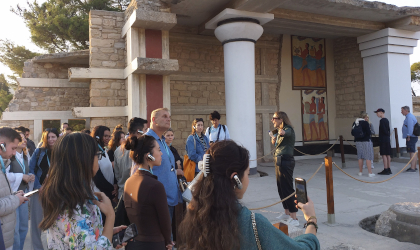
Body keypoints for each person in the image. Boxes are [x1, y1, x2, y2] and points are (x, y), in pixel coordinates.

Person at [178, 140, 320, 250]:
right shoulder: (252, 223)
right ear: (236, 178)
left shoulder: (194, 214)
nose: (248, 179)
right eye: (246, 173)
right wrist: (311, 220)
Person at [38, 133, 127, 249]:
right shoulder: (73, 203)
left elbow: (77, 237)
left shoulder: (68, 192)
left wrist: (106, 232)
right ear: (85, 159)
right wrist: (110, 216)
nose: (98, 161)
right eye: (97, 155)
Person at [124, 134, 174, 250]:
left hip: (133, 243)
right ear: (149, 156)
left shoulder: (129, 181)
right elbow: (165, 221)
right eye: (159, 150)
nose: (161, 153)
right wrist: (168, 241)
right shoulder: (155, 186)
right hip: (153, 244)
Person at [145, 108, 182, 226]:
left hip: (169, 199)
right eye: (165, 116)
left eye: (169, 117)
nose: (169, 119)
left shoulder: (161, 141)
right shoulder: (147, 141)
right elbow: (140, 170)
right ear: (154, 120)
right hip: (158, 201)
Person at [29, 128, 59, 250]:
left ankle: (54, 246)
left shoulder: (62, 151)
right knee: (36, 222)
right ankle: (37, 248)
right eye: (48, 137)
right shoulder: (39, 152)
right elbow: (31, 170)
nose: (51, 139)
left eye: (53, 137)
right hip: (40, 191)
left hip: (57, 192)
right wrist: (38, 186)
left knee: (56, 220)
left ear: (58, 138)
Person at [0, 127, 28, 250]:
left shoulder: (2, 165)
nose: (14, 153)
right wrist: (15, 200)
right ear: (2, 145)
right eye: (13, 148)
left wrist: (14, 194)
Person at [6, 128, 34, 250]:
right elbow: (4, 175)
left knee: (23, 227)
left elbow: (27, 170)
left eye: (25, 138)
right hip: (12, 194)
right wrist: (21, 176)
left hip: (24, 193)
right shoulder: (9, 158)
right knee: (15, 229)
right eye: (21, 138)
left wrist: (30, 176)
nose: (24, 140)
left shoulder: (25, 156)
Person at [271, 112, 299, 227]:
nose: (272, 120)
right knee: (280, 187)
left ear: (281, 119)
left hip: (286, 160)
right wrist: (275, 139)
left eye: (274, 118)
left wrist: (282, 132)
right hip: (279, 160)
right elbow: (280, 143)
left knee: (287, 188)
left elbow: (287, 133)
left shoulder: (288, 129)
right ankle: (286, 212)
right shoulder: (278, 132)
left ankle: (294, 217)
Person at [114, 117, 148, 199]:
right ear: (138, 131)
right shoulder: (141, 149)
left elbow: (117, 174)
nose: (146, 132)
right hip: (137, 195)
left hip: (122, 194)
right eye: (145, 129)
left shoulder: (117, 150)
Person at [91, 126, 117, 208]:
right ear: (97, 136)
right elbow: (97, 178)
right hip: (101, 195)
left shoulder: (104, 150)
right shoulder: (93, 152)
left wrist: (115, 185)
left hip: (109, 192)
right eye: (105, 136)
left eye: (109, 136)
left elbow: (111, 170)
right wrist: (112, 189)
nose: (108, 138)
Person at [353, 113, 375, 177]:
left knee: (360, 157)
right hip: (366, 141)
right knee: (368, 156)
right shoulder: (365, 123)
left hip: (358, 141)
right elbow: (368, 132)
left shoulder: (355, 123)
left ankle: (360, 172)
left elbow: (352, 132)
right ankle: (370, 172)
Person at [374, 109, 392, 175]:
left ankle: (385, 169)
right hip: (387, 139)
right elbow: (388, 130)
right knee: (388, 154)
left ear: (381, 113)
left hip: (383, 139)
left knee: (384, 154)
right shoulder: (386, 120)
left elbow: (384, 130)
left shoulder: (382, 121)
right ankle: (389, 168)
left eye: (377, 113)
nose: (377, 114)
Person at [401, 106, 418, 172]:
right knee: (413, 151)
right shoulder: (409, 116)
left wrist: (408, 136)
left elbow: (410, 127)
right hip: (412, 137)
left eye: (402, 110)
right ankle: (414, 166)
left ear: (406, 110)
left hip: (411, 137)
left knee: (412, 152)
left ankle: (412, 167)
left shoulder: (409, 117)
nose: (401, 112)